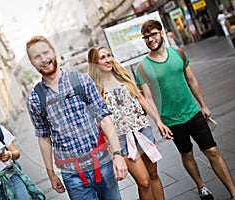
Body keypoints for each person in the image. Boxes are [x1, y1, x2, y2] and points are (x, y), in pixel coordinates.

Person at [136, 19, 235, 200]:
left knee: (212, 151)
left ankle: (233, 193)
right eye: (146, 37)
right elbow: (147, 98)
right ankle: (202, 186)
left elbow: (192, 80)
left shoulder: (179, 54)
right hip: (171, 120)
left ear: (161, 33)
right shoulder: (142, 68)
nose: (150, 39)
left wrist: (203, 104)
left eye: (153, 34)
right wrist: (158, 121)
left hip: (193, 112)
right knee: (187, 154)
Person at [25, 36, 128, 200]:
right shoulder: (35, 99)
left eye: (45, 53)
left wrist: (117, 154)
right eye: (37, 57)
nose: (43, 59)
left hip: (102, 165)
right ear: (32, 63)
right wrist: (51, 174)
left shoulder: (80, 80)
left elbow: (104, 117)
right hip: (73, 175)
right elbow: (44, 137)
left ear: (54, 52)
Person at [88, 45, 173, 200]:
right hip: (120, 139)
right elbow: (98, 121)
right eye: (103, 58)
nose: (108, 60)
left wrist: (158, 121)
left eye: (109, 55)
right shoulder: (94, 88)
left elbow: (140, 98)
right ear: (95, 63)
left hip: (142, 129)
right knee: (144, 182)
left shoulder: (122, 75)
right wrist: (111, 150)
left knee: (153, 174)